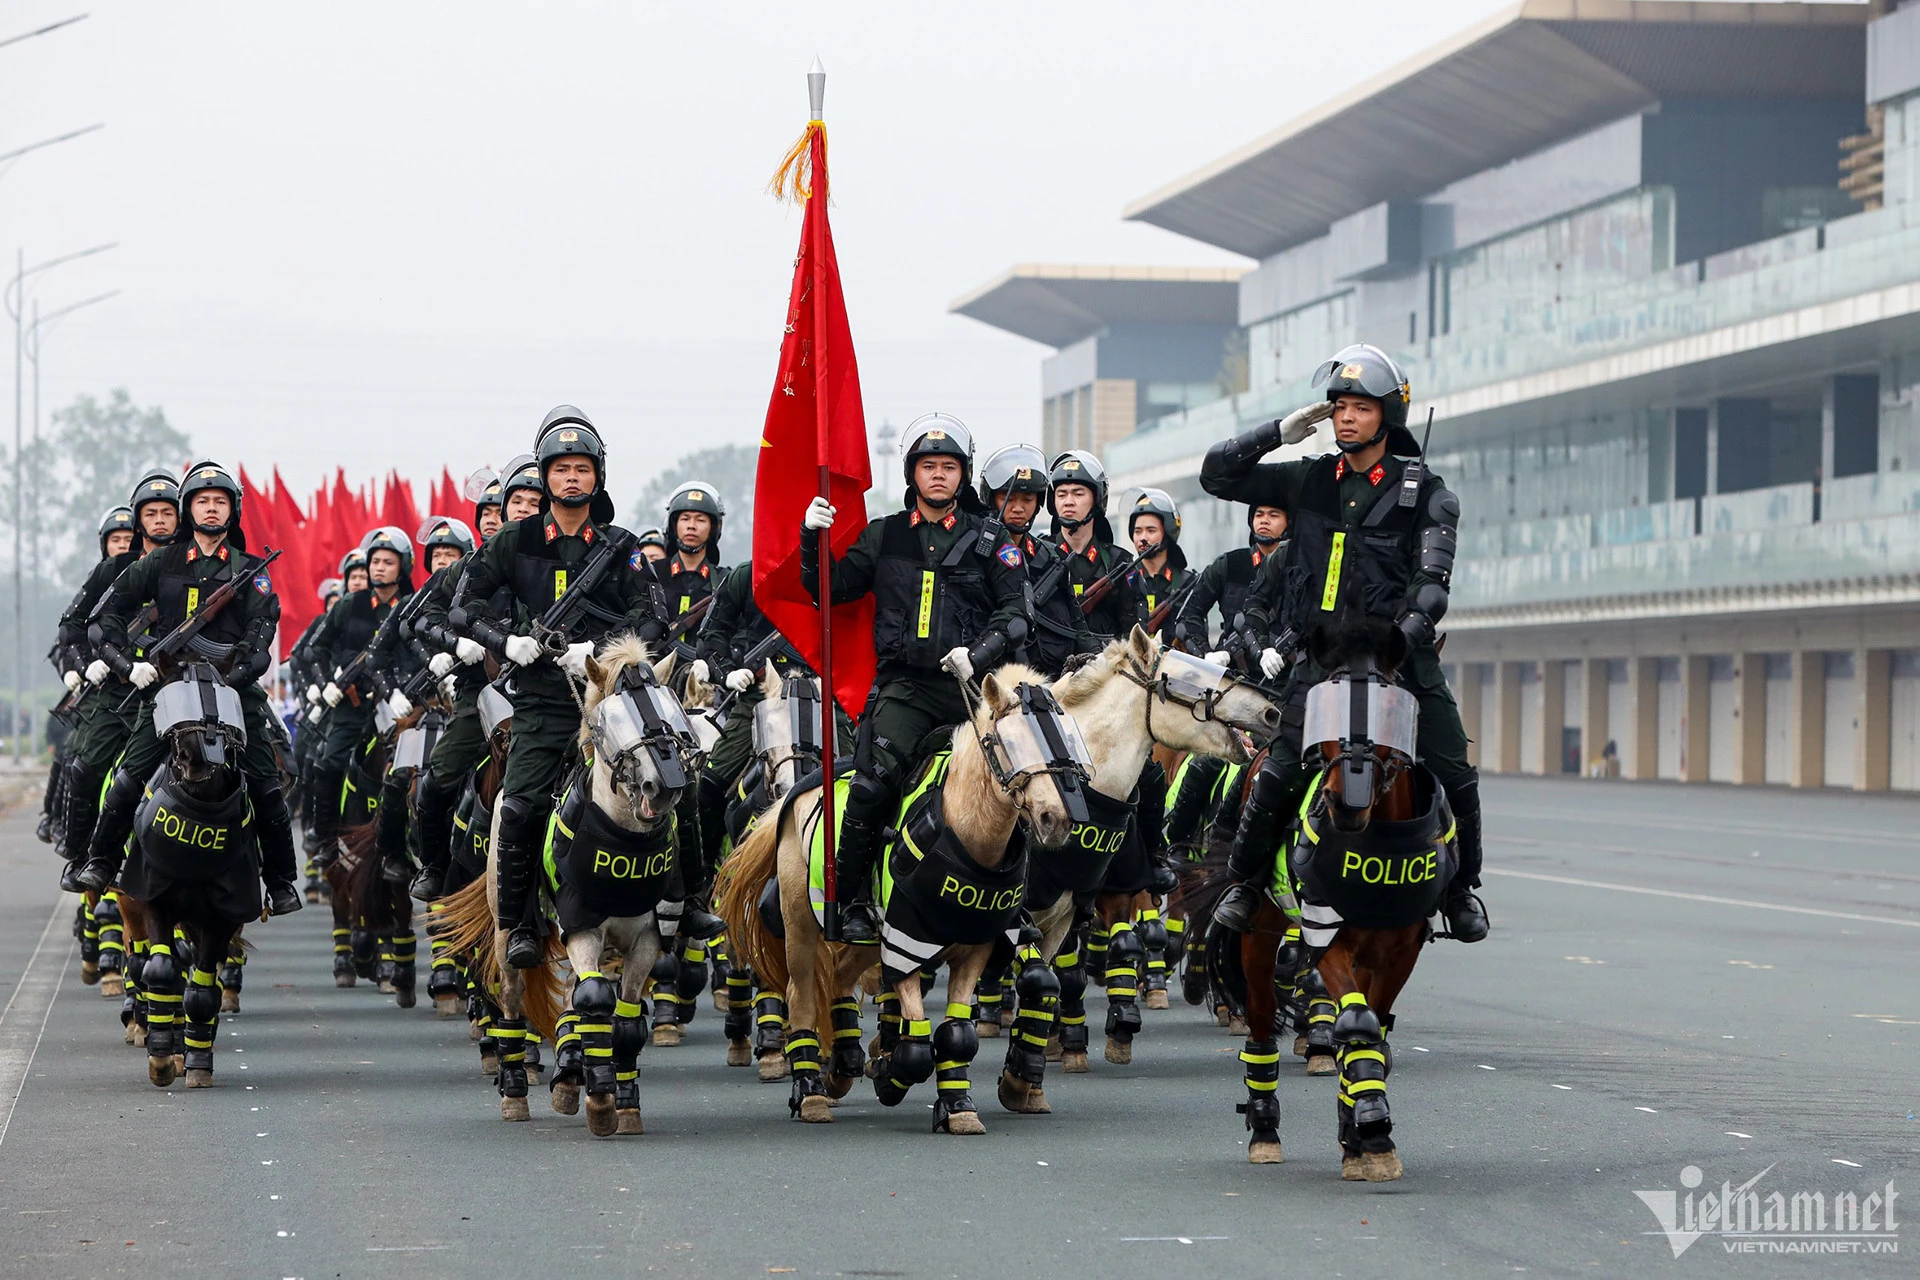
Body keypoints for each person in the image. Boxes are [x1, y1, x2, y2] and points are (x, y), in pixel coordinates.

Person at [1197, 342, 1485, 943]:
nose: (1345, 417)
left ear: (1388, 415)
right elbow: (1216, 474)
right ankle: (1246, 885)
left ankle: (1462, 890)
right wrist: (1280, 432)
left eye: (1360, 406)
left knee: (1454, 766)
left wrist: (1399, 647)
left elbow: (1431, 591)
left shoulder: (1426, 492)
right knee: (1276, 773)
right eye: (1338, 406)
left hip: (1400, 661)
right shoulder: (1307, 479)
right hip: (1320, 664)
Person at [799, 413, 1030, 945]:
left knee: (1023, 783)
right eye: (929, 466)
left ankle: (1017, 908)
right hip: (906, 689)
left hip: (972, 690)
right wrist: (812, 537)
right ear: (912, 474)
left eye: (949, 466)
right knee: (870, 784)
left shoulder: (992, 539)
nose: (939, 475)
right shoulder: (884, 536)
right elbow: (828, 590)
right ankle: (852, 900)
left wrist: (980, 654)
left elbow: (1018, 613)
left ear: (963, 475)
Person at [455, 407, 667, 968]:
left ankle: (678, 905)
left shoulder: (620, 546)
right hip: (544, 702)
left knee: (674, 779)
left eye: (581, 468)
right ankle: (521, 924)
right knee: (520, 808)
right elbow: (463, 606)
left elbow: (653, 616)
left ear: (597, 476)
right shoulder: (515, 541)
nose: (571, 477)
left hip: (613, 704)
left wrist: (600, 652)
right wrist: (506, 641)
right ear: (544, 476)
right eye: (560, 468)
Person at [73, 462, 301, 915]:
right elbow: (104, 618)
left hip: (233, 689)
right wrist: (128, 664)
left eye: (220, 502)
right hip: (167, 685)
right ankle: (100, 861)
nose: (211, 510)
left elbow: (261, 639)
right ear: (188, 508)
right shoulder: (161, 561)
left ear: (232, 511)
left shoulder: (251, 570)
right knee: (127, 779)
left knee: (265, 786)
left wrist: (232, 678)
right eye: (202, 501)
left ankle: (279, 881)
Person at [404, 459, 541, 901]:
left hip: (545, 694)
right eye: (509, 504)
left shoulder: (558, 563)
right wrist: (453, 642)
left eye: (530, 503)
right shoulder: (470, 565)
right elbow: (420, 615)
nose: (517, 511)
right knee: (437, 780)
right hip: (478, 693)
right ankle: (434, 865)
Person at [53, 483, 179, 888]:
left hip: (177, 687)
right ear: (140, 519)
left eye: (167, 513)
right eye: (151, 514)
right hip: (118, 686)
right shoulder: (114, 568)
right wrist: (87, 665)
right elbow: (73, 624)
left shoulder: (190, 564)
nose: (159, 521)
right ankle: (80, 858)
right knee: (85, 769)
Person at [306, 527, 417, 861]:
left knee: (414, 774)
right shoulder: (350, 605)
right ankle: (325, 841)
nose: (379, 568)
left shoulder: (412, 606)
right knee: (328, 765)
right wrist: (325, 682)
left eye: (388, 561)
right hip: (352, 705)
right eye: (375, 561)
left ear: (403, 567)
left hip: (399, 706)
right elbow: (317, 647)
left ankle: (406, 850)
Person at [978, 443, 1095, 678]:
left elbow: (1076, 624)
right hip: (987, 676)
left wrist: (1098, 659)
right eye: (1008, 498)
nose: (1018, 508)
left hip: (1048, 678)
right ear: (991, 499)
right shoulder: (974, 552)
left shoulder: (1051, 558)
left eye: (1028, 499)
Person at [1176, 502, 1290, 667]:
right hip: (1234, 674)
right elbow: (1188, 615)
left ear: (1289, 523)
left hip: (1287, 675)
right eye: (1259, 515)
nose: (1264, 520)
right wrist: (1205, 654)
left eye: (1273, 515)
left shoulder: (1299, 568)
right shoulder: (1229, 564)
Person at [1046, 450, 1144, 642]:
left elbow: (1133, 636)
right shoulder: (1038, 555)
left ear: (1096, 499)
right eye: (1061, 494)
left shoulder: (1120, 564)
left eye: (1078, 493)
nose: (1068, 502)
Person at [1126, 488, 1188, 643]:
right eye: (1138, 531)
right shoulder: (1125, 580)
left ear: (1167, 533)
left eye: (1151, 530)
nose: (1143, 538)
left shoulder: (1187, 583)